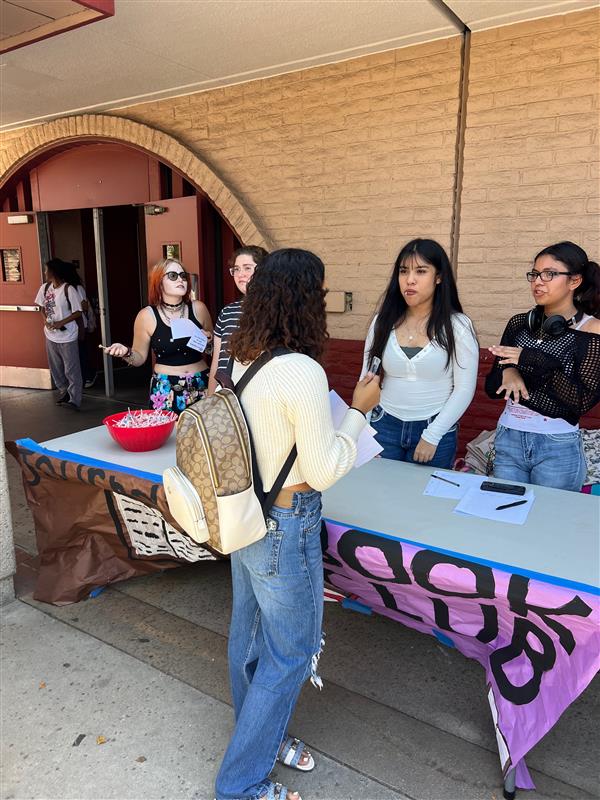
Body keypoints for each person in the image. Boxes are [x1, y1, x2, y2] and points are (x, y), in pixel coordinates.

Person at [215, 249, 381, 800]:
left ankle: (257, 737)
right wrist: (358, 411)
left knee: (249, 636)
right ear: (306, 298)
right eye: (322, 292)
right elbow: (325, 468)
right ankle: (241, 783)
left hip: (249, 513)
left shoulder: (245, 355)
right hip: (288, 521)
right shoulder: (303, 370)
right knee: (291, 652)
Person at [485, 241, 600, 491]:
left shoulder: (592, 330)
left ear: (574, 281)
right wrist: (508, 370)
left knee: (550, 515)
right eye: (535, 274)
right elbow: (492, 387)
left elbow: (579, 401)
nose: (538, 281)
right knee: (505, 509)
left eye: (549, 274)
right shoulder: (519, 324)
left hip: (556, 444)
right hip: (509, 436)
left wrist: (530, 360)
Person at [362, 238, 478, 468]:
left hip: (433, 427)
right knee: (377, 488)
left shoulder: (458, 325)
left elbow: (464, 388)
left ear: (439, 277)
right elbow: (366, 378)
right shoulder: (382, 322)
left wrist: (433, 435)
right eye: (403, 271)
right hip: (383, 424)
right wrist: (364, 430)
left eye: (421, 271)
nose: (410, 279)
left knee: (425, 491)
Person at [104, 258, 213, 413]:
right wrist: (126, 352)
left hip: (201, 384)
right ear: (159, 282)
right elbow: (139, 358)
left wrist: (209, 341)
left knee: (203, 428)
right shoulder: (146, 316)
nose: (180, 279)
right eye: (173, 276)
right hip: (166, 387)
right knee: (169, 429)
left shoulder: (199, 308)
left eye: (183, 275)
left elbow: (214, 350)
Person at [208, 245, 268, 395]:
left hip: (259, 394)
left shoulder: (274, 310)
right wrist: (211, 399)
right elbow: (217, 363)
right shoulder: (227, 312)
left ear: (264, 270)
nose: (240, 274)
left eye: (247, 268)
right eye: (236, 269)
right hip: (226, 395)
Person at [34, 258, 83, 411]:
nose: (44, 273)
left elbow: (78, 312)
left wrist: (62, 322)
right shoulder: (45, 288)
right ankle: (65, 392)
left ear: (53, 271)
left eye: (46, 270)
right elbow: (41, 307)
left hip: (68, 335)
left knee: (71, 368)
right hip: (50, 335)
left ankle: (75, 399)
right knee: (56, 368)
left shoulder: (69, 289)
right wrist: (45, 321)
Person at [65, 262, 97, 389]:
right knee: (75, 355)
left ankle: (89, 375)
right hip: (69, 327)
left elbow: (83, 306)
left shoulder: (77, 288)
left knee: (82, 352)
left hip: (79, 325)